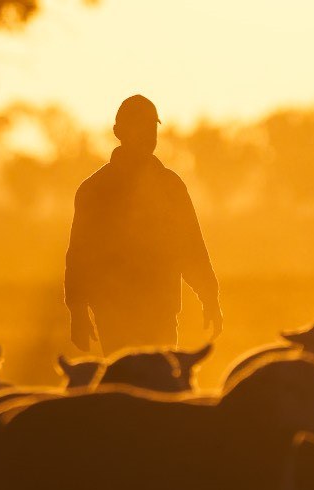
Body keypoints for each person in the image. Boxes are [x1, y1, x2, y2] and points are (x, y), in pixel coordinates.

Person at [64, 95, 223, 353]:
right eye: (140, 126)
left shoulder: (171, 186)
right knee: (122, 387)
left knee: (160, 387)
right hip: (113, 315)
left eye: (152, 128)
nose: (148, 135)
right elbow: (80, 254)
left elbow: (191, 246)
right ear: (118, 132)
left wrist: (209, 297)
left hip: (160, 313)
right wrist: (78, 310)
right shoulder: (95, 190)